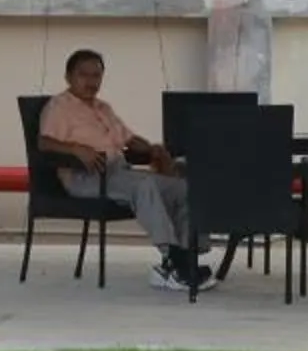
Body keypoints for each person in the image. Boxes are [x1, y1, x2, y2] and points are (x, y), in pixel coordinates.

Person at [37, 48, 212, 292]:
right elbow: (44, 143)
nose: (90, 81)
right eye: (83, 75)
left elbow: (129, 139)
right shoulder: (59, 107)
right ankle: (175, 258)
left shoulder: (103, 108)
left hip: (118, 172)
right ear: (68, 77)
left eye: (96, 76)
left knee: (183, 188)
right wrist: (75, 149)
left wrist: (153, 149)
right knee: (144, 185)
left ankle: (185, 258)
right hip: (86, 176)